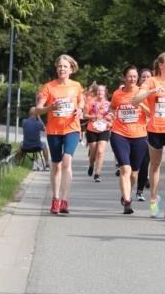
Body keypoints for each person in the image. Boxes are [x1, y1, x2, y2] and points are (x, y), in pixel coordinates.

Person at [131, 52, 165, 219]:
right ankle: (154, 199)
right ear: (161, 65)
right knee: (154, 166)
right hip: (155, 129)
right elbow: (135, 100)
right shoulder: (151, 81)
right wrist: (152, 91)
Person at [36, 54, 84, 215]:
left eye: (65, 66)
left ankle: (65, 200)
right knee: (56, 164)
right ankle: (55, 199)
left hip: (72, 128)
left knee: (66, 161)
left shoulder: (76, 86)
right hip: (54, 130)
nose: (62, 69)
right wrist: (50, 108)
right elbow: (37, 109)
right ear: (56, 69)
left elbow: (81, 101)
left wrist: (80, 109)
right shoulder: (49, 87)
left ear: (71, 69)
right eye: (59, 66)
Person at [109, 65, 150, 214]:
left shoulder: (142, 93)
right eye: (129, 76)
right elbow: (112, 107)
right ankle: (127, 201)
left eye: (135, 76)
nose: (132, 79)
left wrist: (140, 104)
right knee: (125, 169)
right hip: (119, 134)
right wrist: (112, 115)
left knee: (134, 173)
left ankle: (126, 192)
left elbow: (151, 113)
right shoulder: (117, 94)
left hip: (139, 136)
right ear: (124, 78)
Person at [86, 84, 111, 182]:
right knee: (93, 152)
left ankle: (97, 174)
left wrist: (110, 120)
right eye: (99, 91)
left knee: (100, 151)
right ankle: (91, 164)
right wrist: (93, 117)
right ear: (96, 92)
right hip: (92, 129)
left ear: (105, 92)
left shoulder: (109, 104)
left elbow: (113, 116)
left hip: (104, 129)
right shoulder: (91, 102)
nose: (100, 92)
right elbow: (84, 115)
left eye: (102, 91)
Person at [135, 68, 152, 201]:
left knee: (145, 163)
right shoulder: (134, 92)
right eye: (143, 77)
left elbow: (151, 113)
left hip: (149, 131)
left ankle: (140, 190)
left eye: (148, 77)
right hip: (131, 132)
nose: (146, 79)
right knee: (133, 165)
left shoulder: (154, 93)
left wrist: (140, 104)